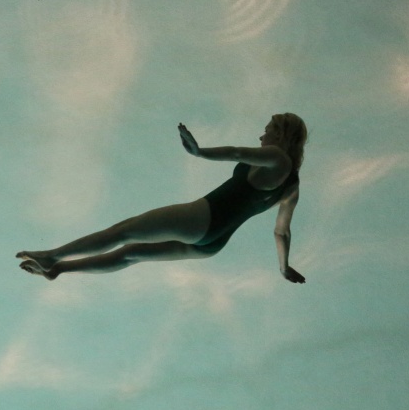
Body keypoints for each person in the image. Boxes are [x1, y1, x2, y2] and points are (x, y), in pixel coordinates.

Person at [17, 113, 308, 284]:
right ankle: (59, 269)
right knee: (130, 254)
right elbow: (281, 231)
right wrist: (283, 267)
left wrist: (200, 152)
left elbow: (236, 152)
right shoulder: (292, 186)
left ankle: (53, 256)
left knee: (123, 232)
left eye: (268, 130)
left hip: (202, 219)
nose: (262, 136)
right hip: (213, 244)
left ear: (282, 135)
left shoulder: (277, 157)